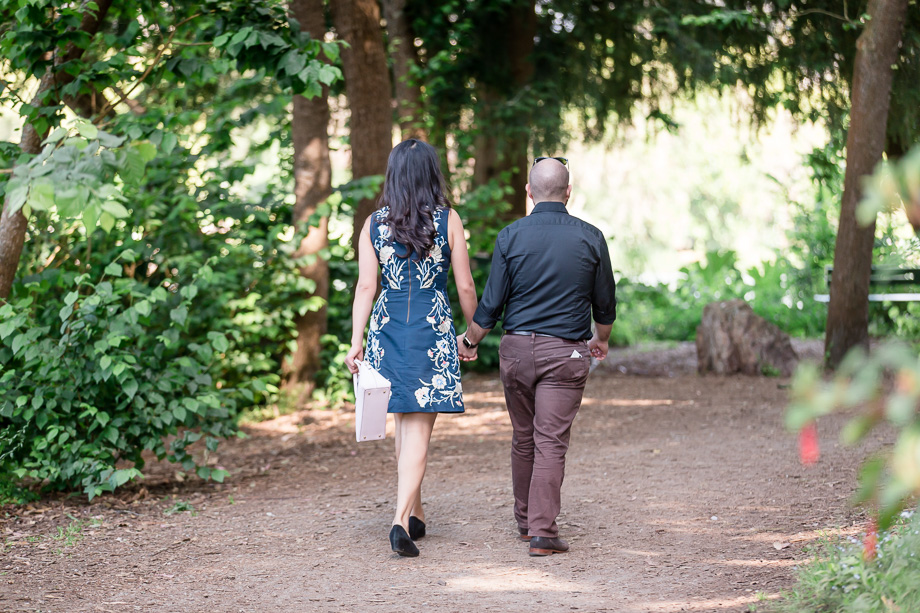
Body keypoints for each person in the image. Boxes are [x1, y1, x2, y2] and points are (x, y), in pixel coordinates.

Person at [458, 156, 616, 557]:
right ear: (568, 192)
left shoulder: (510, 236)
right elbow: (605, 303)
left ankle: (526, 520)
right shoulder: (591, 237)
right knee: (550, 441)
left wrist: (471, 341)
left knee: (523, 436)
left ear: (528, 192)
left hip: (515, 351)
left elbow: (491, 303)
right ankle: (543, 532)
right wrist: (601, 339)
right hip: (565, 353)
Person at [345, 139, 478, 558]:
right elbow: (465, 285)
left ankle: (416, 513)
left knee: (405, 421)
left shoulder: (373, 223)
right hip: (431, 327)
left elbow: (367, 286)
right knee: (418, 424)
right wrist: (475, 332)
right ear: (430, 174)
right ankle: (400, 520)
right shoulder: (447, 219)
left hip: (386, 329)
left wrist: (356, 341)